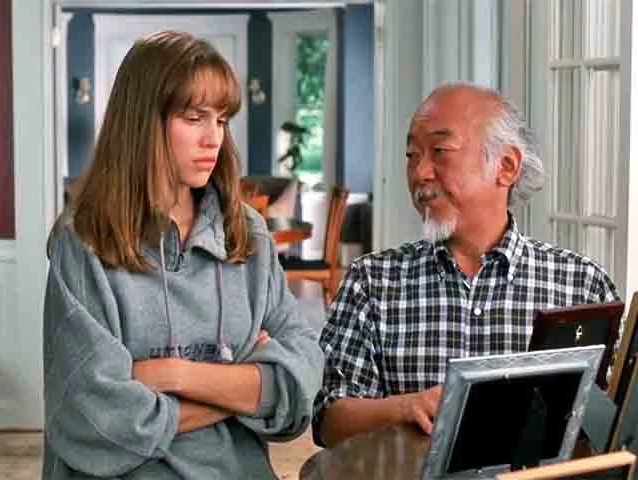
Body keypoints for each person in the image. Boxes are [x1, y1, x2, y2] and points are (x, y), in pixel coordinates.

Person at [42, 31, 323, 479]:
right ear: (143, 123)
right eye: (194, 118)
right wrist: (241, 385)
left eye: (222, 120)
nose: (214, 138)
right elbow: (97, 418)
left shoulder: (247, 233)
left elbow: (301, 381)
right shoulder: (85, 240)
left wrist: (174, 375)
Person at [313, 83, 619, 448]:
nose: (420, 172)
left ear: (506, 166)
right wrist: (405, 408)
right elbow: (327, 421)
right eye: (411, 155)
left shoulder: (581, 285)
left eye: (440, 151)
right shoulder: (371, 281)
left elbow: (613, 425)